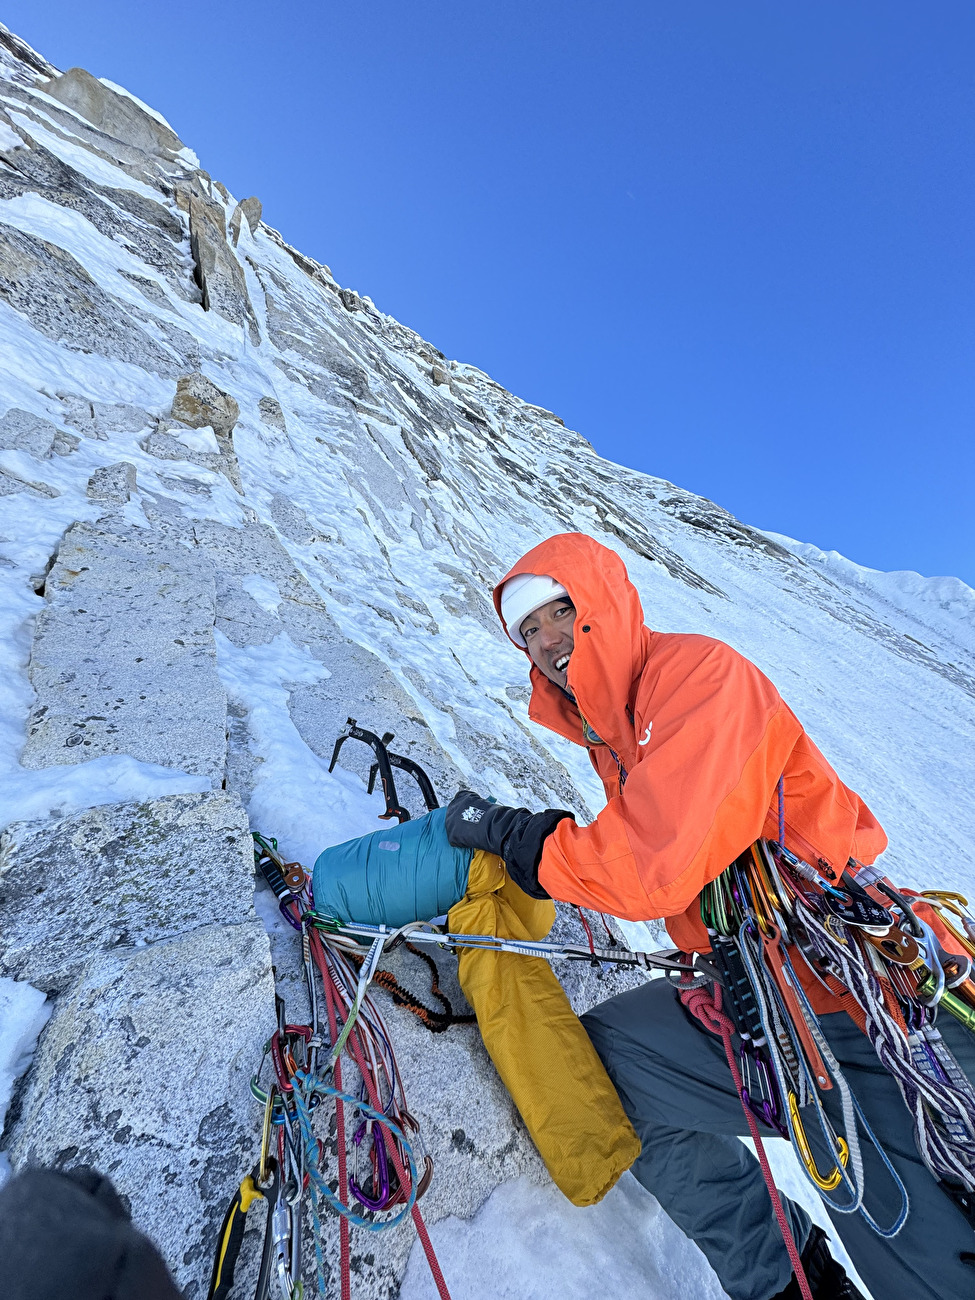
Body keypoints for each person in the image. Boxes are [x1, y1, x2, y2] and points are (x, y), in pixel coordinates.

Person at [445, 531, 975, 1300]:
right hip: (766, 998)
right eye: (528, 631)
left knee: (919, 1248)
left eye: (561, 611)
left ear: (606, 604)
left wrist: (521, 841)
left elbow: (650, 869)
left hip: (865, 1003)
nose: (548, 640)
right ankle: (787, 1278)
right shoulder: (616, 735)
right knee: (610, 1064)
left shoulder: (699, 677)